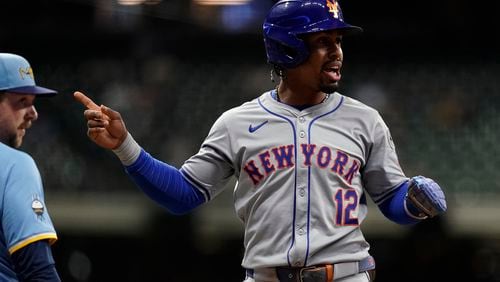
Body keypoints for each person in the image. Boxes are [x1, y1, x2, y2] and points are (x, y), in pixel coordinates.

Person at [74, 0, 447, 281]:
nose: (336, 51)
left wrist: (414, 201)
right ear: (288, 48)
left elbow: (391, 200)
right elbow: (183, 195)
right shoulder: (237, 123)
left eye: (338, 41)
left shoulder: (365, 120)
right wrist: (126, 147)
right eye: (323, 41)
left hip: (346, 275)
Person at [0, 53, 61, 281]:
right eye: (22, 102)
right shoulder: (15, 165)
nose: (33, 114)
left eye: (32, 103)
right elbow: (37, 270)